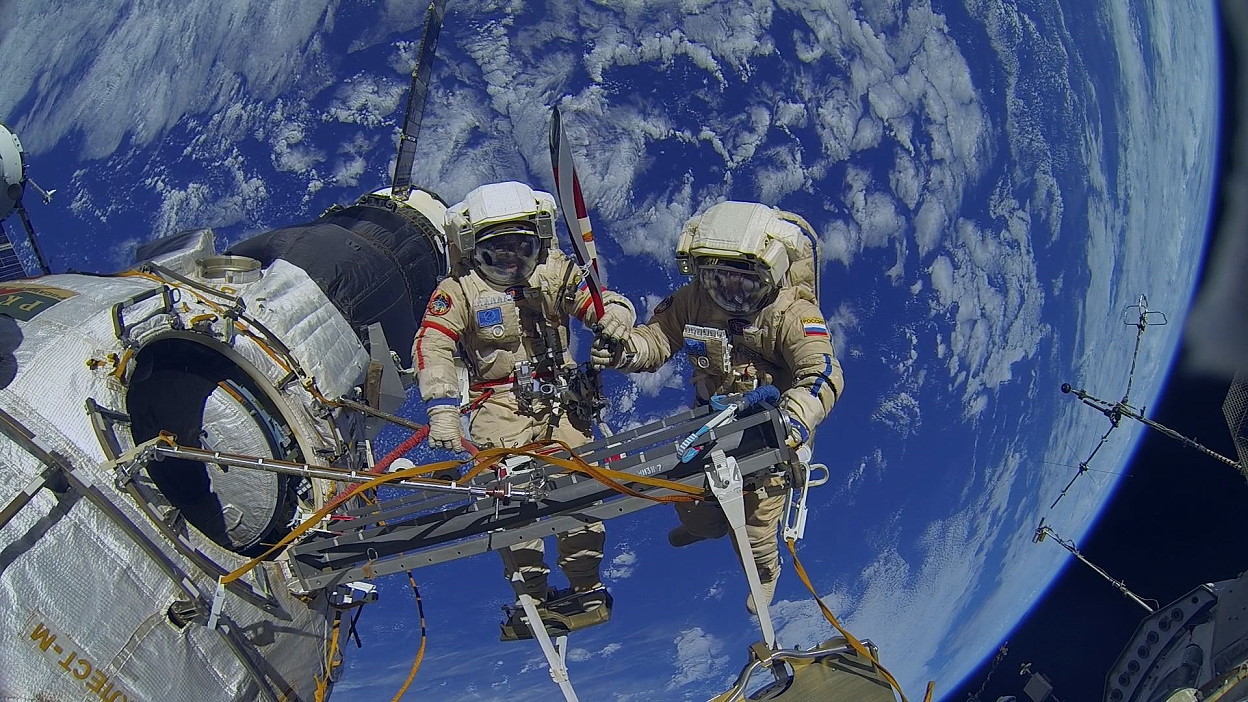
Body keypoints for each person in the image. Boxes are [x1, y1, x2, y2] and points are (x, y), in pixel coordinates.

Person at [591, 200, 843, 613]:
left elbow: (823, 373)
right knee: (693, 500)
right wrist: (624, 349)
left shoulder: (794, 313)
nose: (731, 293)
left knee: (758, 518)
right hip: (712, 420)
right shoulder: (692, 301)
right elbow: (655, 340)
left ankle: (764, 572)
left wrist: (794, 419)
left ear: (773, 275)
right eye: (718, 280)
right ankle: (705, 528)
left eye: (745, 284)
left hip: (772, 427)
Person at [412, 181, 636, 628]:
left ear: (540, 241)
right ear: (473, 249)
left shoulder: (555, 272)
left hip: (564, 399)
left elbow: (603, 300)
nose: (513, 259)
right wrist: (442, 408)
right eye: (498, 250)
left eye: (523, 247)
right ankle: (531, 596)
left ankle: (586, 586)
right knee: (513, 508)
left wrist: (616, 317)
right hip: (499, 406)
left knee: (582, 492)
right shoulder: (459, 290)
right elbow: (433, 344)